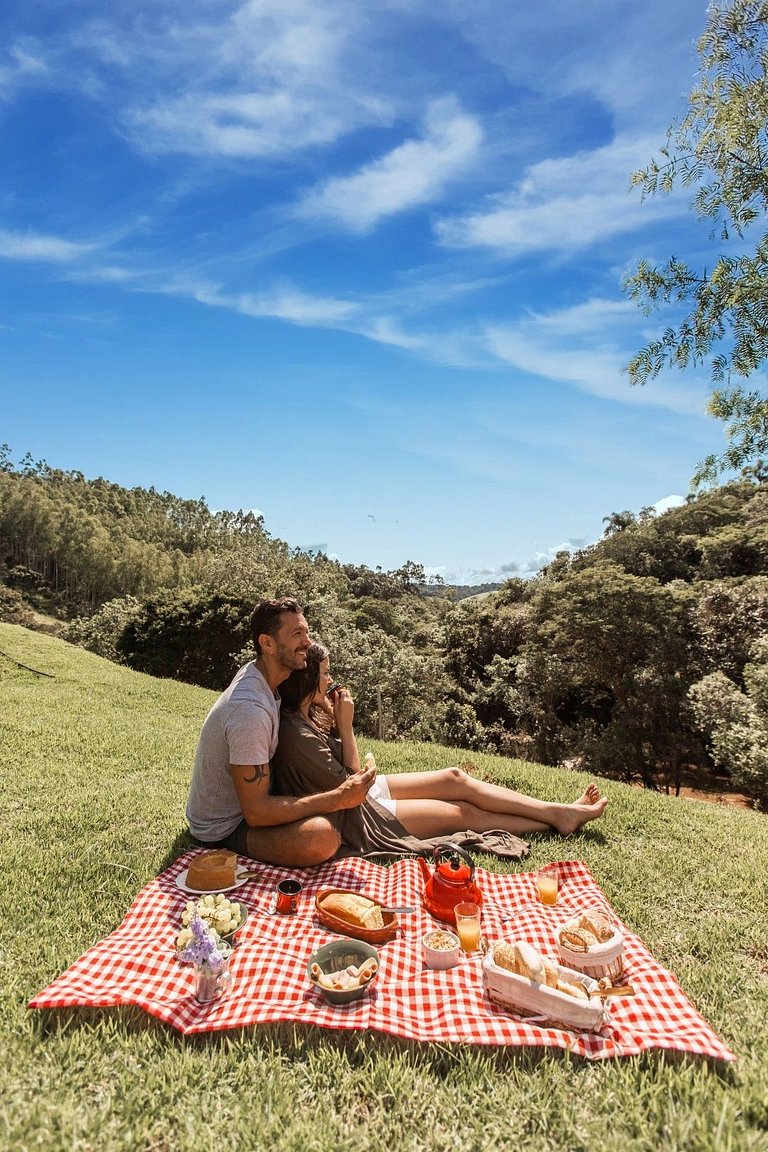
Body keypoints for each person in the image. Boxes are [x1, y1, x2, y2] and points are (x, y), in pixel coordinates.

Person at [271, 642, 609, 858]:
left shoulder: (308, 713)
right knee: (463, 814)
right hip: (356, 814)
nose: (330, 681)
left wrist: (333, 719)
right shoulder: (296, 733)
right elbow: (353, 784)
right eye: (325, 674)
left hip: (363, 794)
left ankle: (557, 811)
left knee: (455, 777)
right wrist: (346, 726)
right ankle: (556, 820)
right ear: (306, 679)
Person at [185, 598, 376, 867]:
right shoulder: (249, 711)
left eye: (306, 632)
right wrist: (337, 799)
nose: (308, 642)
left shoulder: (263, 677)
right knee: (320, 836)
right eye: (297, 634)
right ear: (267, 644)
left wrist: (325, 704)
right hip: (224, 829)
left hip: (250, 812)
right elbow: (256, 813)